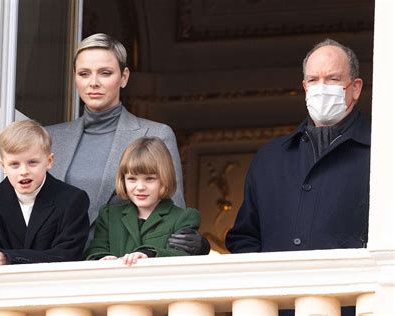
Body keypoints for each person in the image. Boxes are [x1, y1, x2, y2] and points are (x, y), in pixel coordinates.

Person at [226, 39, 369, 315]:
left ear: (355, 88)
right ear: (304, 88)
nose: (321, 87)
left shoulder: (383, 154)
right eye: (313, 80)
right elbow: (244, 238)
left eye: (333, 79)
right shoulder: (270, 158)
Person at [46, 33, 209, 255]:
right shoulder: (50, 138)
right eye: (84, 74)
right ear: (75, 78)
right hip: (54, 272)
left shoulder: (156, 134)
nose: (93, 82)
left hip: (124, 270)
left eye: (105, 73)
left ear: (124, 77)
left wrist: (195, 245)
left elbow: (172, 215)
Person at [0, 120, 90, 270]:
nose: (24, 171)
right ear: (3, 166)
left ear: (49, 161)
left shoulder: (72, 199)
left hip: (55, 288)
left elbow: (68, 255)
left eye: (32, 162)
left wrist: (9, 257)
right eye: (14, 164)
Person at [85, 137, 201, 265]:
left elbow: (182, 256)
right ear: (123, 180)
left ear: (165, 178)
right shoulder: (109, 215)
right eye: (132, 179)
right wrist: (102, 258)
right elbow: (95, 250)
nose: (140, 187)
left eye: (149, 179)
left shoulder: (183, 217)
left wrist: (150, 254)